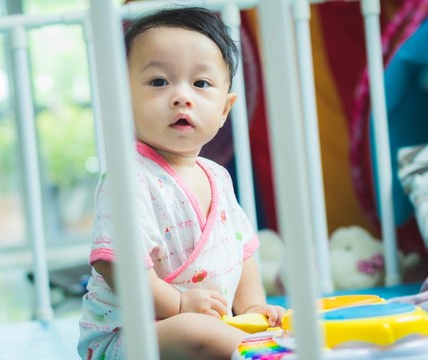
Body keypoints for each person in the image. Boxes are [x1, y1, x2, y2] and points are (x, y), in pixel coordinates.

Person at [78, 6, 285, 359]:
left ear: (224, 109)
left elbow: (242, 250)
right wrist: (177, 304)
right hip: (132, 336)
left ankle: (258, 345)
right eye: (159, 82)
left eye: (201, 83)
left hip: (201, 327)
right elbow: (117, 263)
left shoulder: (218, 176)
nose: (181, 96)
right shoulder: (129, 176)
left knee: (268, 324)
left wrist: (252, 308)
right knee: (194, 330)